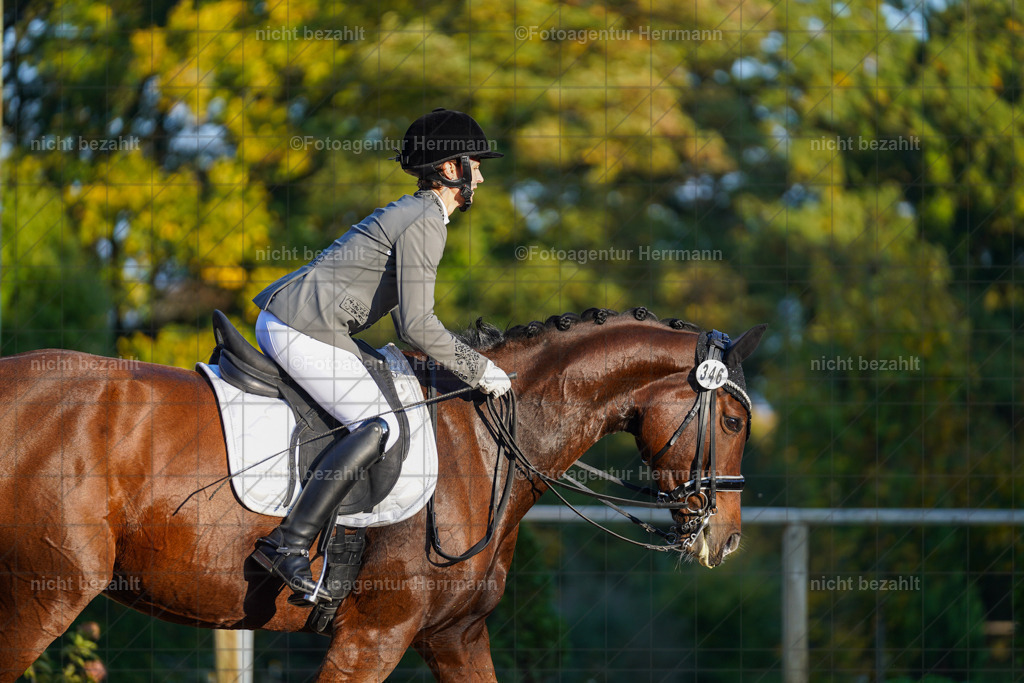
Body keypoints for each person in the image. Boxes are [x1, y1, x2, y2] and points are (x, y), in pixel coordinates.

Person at [248, 108, 512, 605]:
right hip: (303, 326)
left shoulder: (421, 215)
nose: (482, 173)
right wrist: (481, 369)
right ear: (452, 170)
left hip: (311, 322)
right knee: (379, 424)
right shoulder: (427, 220)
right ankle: (289, 543)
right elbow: (415, 325)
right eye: (475, 163)